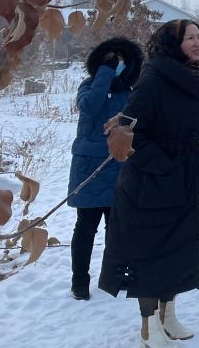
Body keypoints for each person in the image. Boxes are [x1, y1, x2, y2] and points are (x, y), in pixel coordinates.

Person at [98, 20, 199, 347]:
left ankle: (168, 315)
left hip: (186, 178)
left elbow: (194, 123)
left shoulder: (196, 78)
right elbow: (131, 133)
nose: (197, 42)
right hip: (150, 184)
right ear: (173, 44)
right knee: (150, 252)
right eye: (190, 38)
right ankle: (148, 325)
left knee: (180, 249)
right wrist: (166, 166)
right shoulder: (153, 79)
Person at [67, 37, 143, 300]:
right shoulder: (89, 87)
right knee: (86, 227)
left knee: (118, 228)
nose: (116, 66)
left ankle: (116, 275)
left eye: (121, 62)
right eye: (111, 61)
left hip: (119, 165)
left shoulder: (130, 93)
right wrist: (105, 73)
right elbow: (90, 107)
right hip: (89, 168)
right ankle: (79, 281)